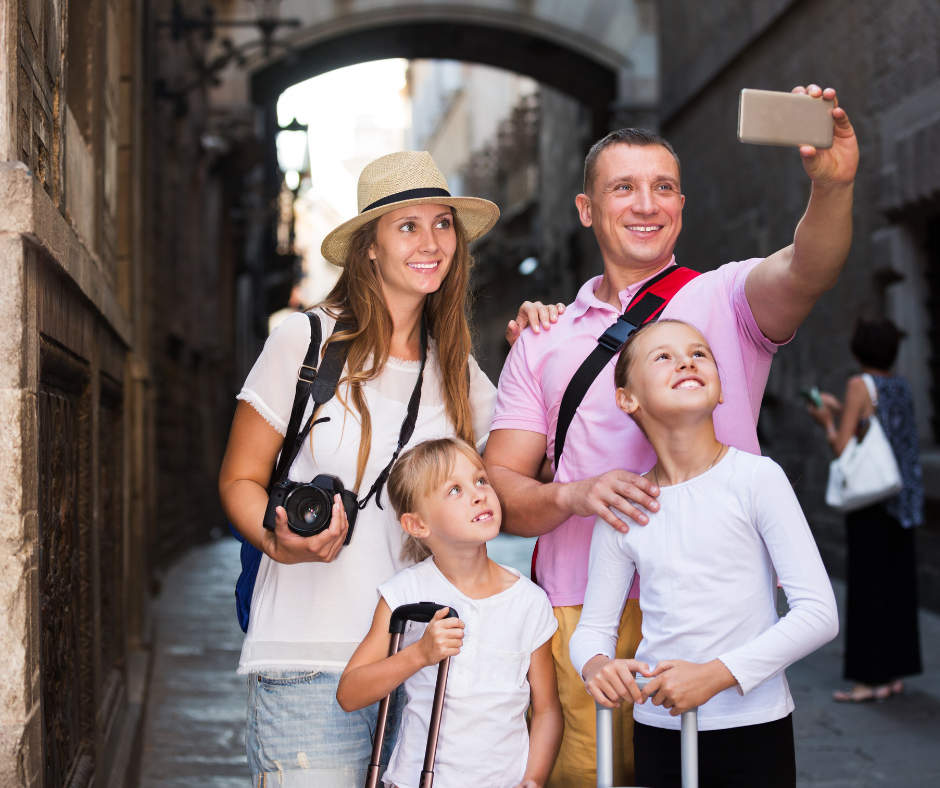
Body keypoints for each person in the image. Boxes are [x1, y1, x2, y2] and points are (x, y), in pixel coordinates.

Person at [483, 85, 858, 786]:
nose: (646, 204)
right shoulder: (543, 337)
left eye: (662, 187)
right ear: (587, 210)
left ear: (682, 205)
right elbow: (501, 491)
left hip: (711, 611)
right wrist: (575, 496)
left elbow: (810, 266)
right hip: (581, 606)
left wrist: (832, 187)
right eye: (623, 188)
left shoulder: (726, 296)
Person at [218, 150, 561, 787]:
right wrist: (277, 542)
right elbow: (239, 480)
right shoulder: (305, 342)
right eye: (407, 226)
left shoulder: (456, 369)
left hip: (426, 673)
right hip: (309, 660)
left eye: (442, 224)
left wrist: (541, 354)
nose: (431, 242)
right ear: (369, 247)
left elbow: (522, 473)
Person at [570, 319, 838, 787]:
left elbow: (818, 613)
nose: (686, 362)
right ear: (627, 399)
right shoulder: (626, 505)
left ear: (720, 390)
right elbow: (594, 628)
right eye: (663, 357)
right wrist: (597, 665)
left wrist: (716, 675)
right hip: (659, 730)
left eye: (699, 354)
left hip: (753, 726)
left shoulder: (756, 479)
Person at [337, 438, 563, 788]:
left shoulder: (529, 602)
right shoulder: (405, 593)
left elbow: (547, 708)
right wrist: (419, 654)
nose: (479, 494)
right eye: (455, 490)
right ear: (417, 525)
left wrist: (533, 779)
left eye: (481, 480)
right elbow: (350, 693)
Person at [808, 316, 924, 702]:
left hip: (871, 502)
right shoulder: (900, 385)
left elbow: (843, 448)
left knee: (868, 588)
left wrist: (827, 420)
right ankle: (893, 674)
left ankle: (867, 682)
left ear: (859, 351)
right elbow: (880, 431)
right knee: (897, 587)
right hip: (903, 499)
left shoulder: (859, 384)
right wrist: (847, 413)